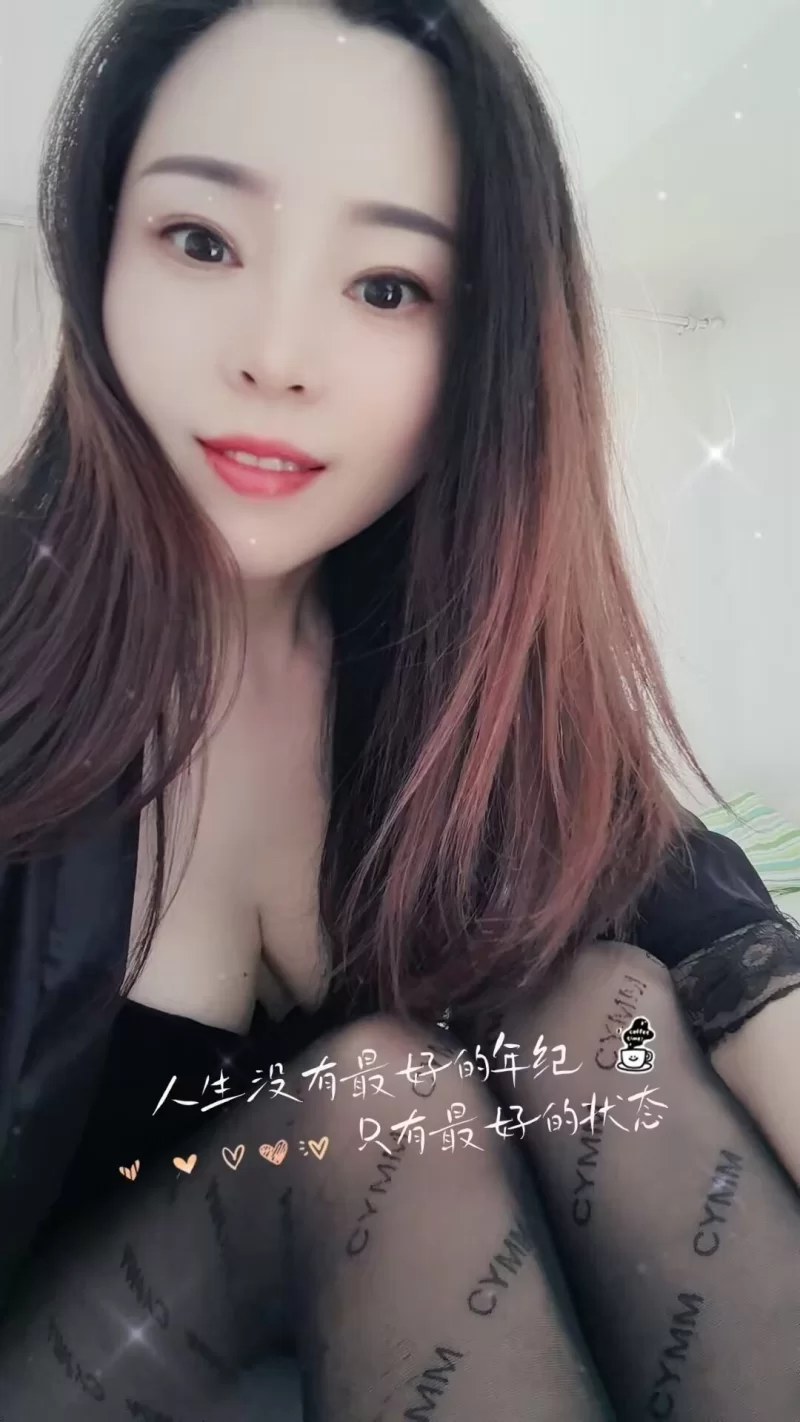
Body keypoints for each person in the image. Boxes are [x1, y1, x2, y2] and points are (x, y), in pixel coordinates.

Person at [0, 0, 799, 1418]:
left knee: (602, 997)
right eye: (201, 240)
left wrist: (767, 1005)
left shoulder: (431, 652)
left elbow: (664, 877)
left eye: (387, 287)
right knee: (381, 1091)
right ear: (97, 243)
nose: (277, 355)